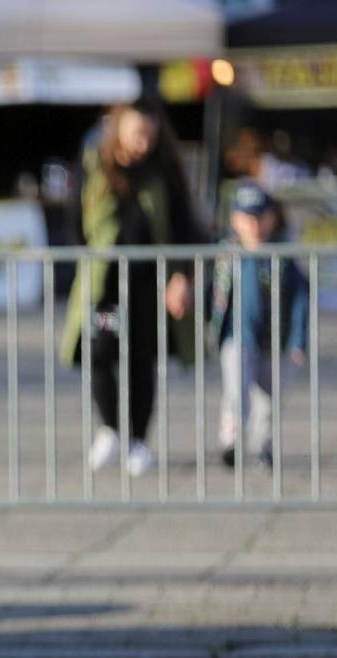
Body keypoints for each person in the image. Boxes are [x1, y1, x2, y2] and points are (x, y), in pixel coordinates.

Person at [62, 101, 205, 477]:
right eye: (137, 133)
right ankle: (110, 427)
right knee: (101, 351)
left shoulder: (164, 169)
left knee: (142, 361)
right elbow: (75, 218)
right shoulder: (95, 164)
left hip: (149, 284)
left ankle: (138, 440)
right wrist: (85, 261)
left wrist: (181, 277)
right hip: (106, 284)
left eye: (150, 135)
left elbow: (185, 224)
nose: (143, 142)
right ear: (119, 130)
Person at [211, 181, 309, 469]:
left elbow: (301, 297)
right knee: (236, 391)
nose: (253, 225)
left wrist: (298, 340)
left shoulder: (282, 255)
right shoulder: (227, 253)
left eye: (259, 217)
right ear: (234, 220)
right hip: (237, 337)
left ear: (272, 218)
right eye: (246, 217)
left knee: (269, 399)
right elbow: (212, 292)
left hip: (272, 341)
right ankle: (230, 440)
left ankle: (263, 444)